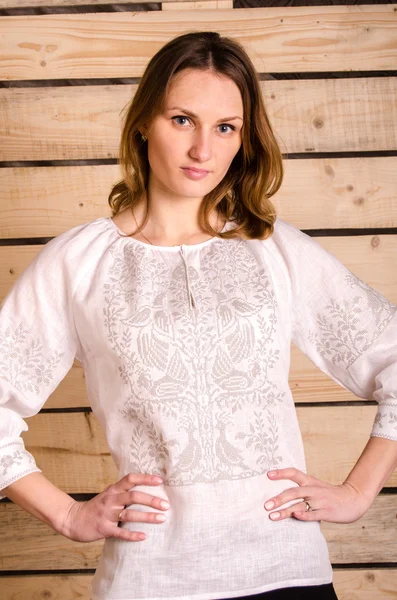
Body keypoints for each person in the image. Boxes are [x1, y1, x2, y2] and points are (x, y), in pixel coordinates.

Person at [1, 30, 396, 600]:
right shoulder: (77, 263)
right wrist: (66, 516)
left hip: (286, 572)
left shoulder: (275, 250)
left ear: (244, 138)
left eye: (225, 127)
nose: (202, 151)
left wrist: (360, 492)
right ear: (143, 123)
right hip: (149, 580)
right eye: (182, 119)